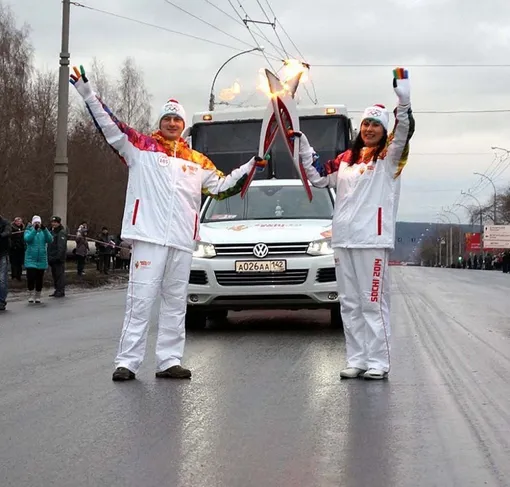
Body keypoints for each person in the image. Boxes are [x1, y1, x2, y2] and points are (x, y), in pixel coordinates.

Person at [70, 65, 267, 381]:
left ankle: (169, 361)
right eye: (167, 119)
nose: (172, 123)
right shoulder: (139, 147)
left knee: (176, 304)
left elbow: (221, 187)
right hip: (148, 237)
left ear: (184, 124)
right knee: (140, 301)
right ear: (160, 122)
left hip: (181, 240)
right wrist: (87, 93)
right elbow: (110, 124)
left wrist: (249, 166)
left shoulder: (197, 160)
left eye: (177, 119)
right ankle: (127, 362)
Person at [296, 67, 415, 380]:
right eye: (366, 123)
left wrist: (403, 104)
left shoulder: (389, 158)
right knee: (348, 304)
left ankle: (378, 361)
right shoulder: (347, 160)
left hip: (371, 241)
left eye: (376, 124)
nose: (370, 129)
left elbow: (404, 133)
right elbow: (319, 177)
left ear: (384, 130)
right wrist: (304, 145)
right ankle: (358, 359)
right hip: (344, 240)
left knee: (372, 303)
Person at [24, 216, 53, 303]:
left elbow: (50, 239)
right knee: (31, 277)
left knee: (39, 278)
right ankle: (31, 294)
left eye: (38, 223)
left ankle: (38, 295)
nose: (37, 224)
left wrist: (45, 230)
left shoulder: (43, 232)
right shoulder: (28, 231)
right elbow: (27, 239)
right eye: (35, 223)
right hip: (30, 259)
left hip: (41, 259)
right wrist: (34, 230)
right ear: (33, 223)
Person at [48, 216, 67, 298]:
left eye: (55, 222)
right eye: (52, 222)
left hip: (58, 258)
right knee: (55, 274)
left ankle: (60, 290)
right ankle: (57, 289)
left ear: (59, 223)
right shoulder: (51, 232)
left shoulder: (61, 232)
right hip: (52, 257)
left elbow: (61, 246)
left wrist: (59, 256)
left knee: (59, 275)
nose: (53, 224)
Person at [0, 214, 11, 311]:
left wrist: (1, 235)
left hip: (2, 254)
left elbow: (8, 232)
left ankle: (1, 301)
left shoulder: (5, 223)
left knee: (2, 279)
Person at [10, 217, 25, 281]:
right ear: (15, 222)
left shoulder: (23, 228)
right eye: (18, 221)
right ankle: (14, 276)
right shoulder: (11, 228)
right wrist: (13, 246)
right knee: (14, 263)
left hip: (21, 249)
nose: (19, 223)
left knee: (20, 263)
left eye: (20, 221)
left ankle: (19, 276)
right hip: (13, 249)